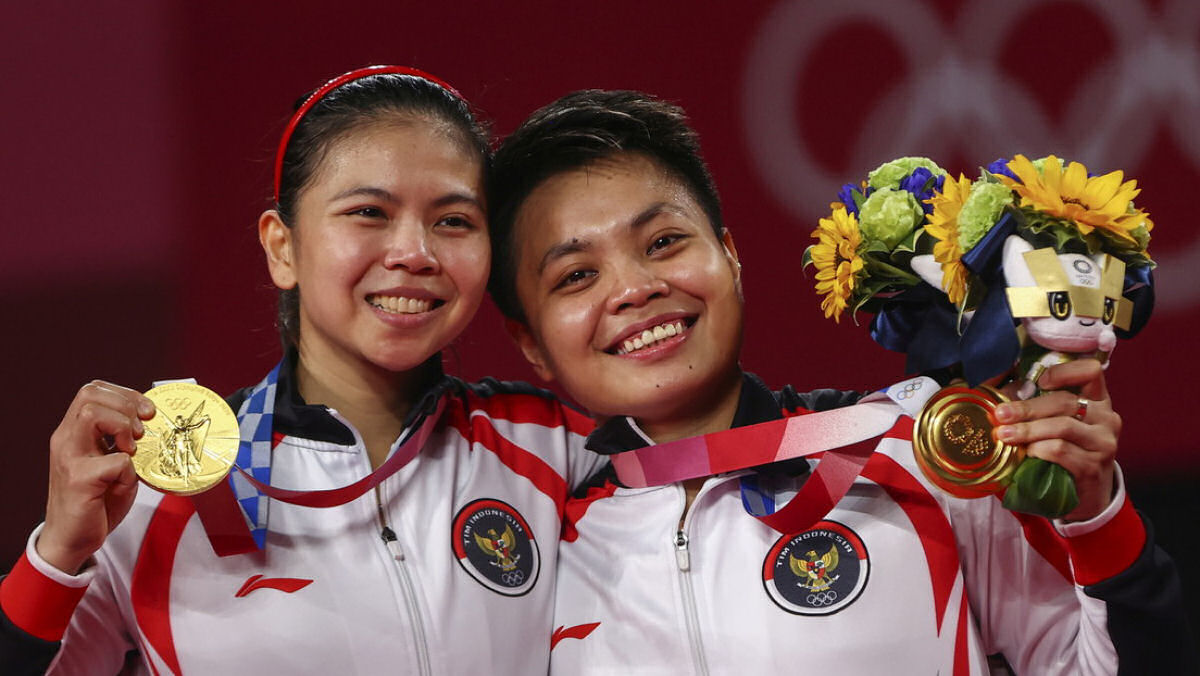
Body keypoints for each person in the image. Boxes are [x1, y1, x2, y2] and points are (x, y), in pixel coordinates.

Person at [487, 90, 1195, 674]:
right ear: (532, 344)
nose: (635, 288)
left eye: (664, 242)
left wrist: (1094, 516)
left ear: (730, 257)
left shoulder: (924, 455)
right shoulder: (535, 556)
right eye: (577, 276)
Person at [0, 66, 601, 675]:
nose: (415, 253)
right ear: (282, 248)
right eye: (369, 211)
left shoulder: (557, 449)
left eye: (453, 221)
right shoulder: (153, 497)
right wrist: (58, 556)